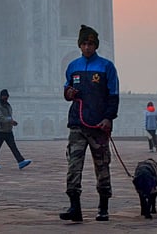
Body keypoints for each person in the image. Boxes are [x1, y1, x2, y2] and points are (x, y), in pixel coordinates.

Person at [60, 24, 120, 223]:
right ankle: (74, 207)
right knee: (73, 166)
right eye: (84, 43)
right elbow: (67, 90)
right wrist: (68, 94)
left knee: (102, 166)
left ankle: (103, 207)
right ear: (79, 45)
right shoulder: (73, 66)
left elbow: (113, 95)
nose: (87, 47)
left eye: (91, 44)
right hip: (77, 123)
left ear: (96, 46)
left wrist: (108, 118)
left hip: (97, 126)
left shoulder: (106, 67)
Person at [0, 89, 31, 171]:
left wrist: (12, 122)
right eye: (4, 96)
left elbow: (8, 116)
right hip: (0, 131)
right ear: (1, 96)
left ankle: (21, 161)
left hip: (8, 130)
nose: (6, 98)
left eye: (7, 96)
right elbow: (0, 118)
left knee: (13, 147)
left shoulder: (8, 105)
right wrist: (10, 121)